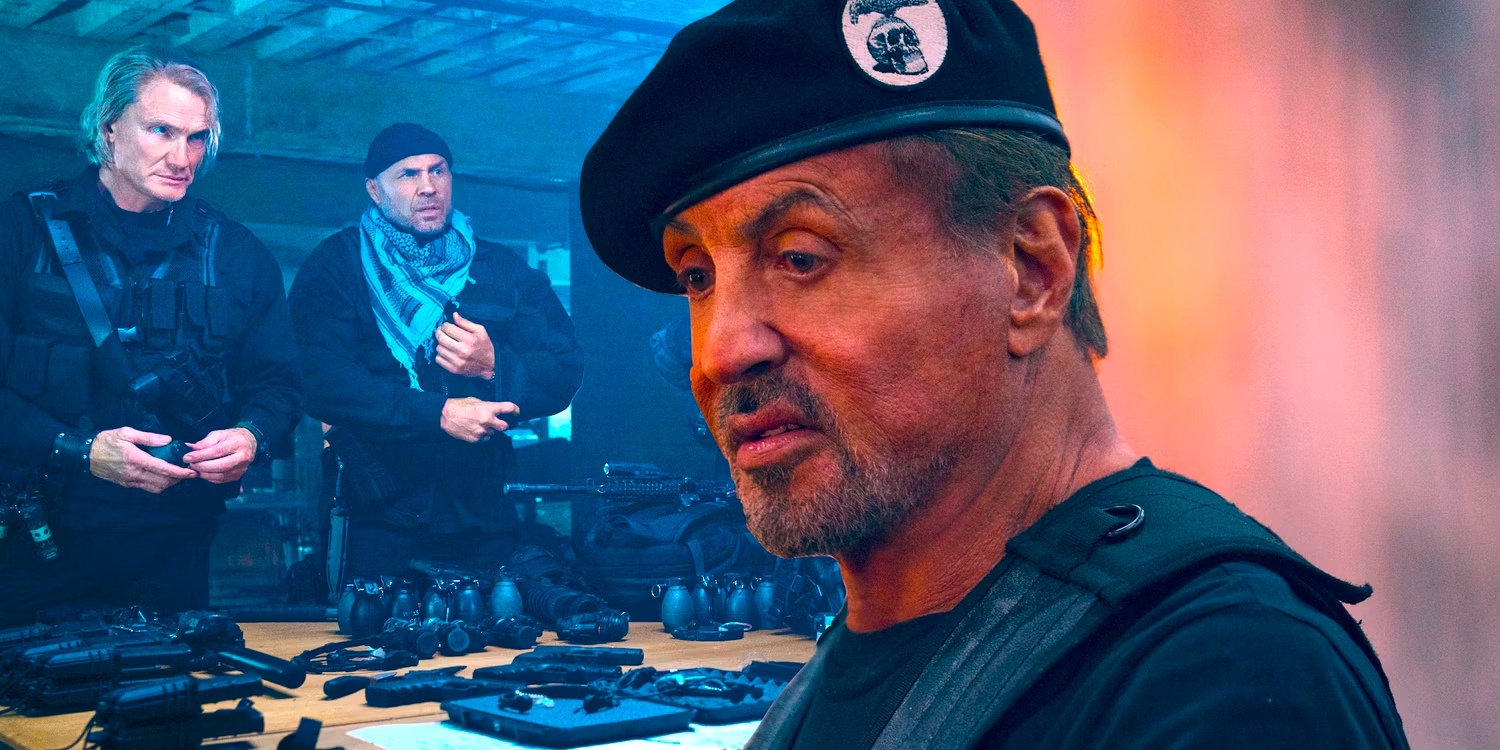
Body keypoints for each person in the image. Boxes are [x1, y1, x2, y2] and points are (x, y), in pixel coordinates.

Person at [578, 1, 1409, 748]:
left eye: (800, 257)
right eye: (697, 276)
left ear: (1031, 272)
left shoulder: (1225, 678)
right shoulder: (868, 651)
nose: (721, 352)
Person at [0, 47, 302, 624]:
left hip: (175, 554)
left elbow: (281, 384)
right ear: (109, 128)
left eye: (196, 138)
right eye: (161, 130)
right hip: (33, 547)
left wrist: (251, 435)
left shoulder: (236, 254)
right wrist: (80, 450)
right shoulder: (20, 233)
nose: (181, 157)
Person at [290, 124, 583, 583]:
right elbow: (317, 379)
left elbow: (564, 369)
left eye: (438, 170)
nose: (428, 186)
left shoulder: (498, 268)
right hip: (374, 511)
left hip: (480, 508)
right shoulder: (337, 265)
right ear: (374, 189)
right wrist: (438, 413)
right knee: (375, 626)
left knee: (495, 622)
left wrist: (495, 366)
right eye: (408, 174)